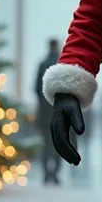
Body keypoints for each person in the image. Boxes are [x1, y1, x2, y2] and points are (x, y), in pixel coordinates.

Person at [35, 39, 61, 184]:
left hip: (45, 111)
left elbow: (36, 88)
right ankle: (55, 174)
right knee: (59, 143)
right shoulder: (62, 65)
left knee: (46, 144)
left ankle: (46, 173)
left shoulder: (42, 64)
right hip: (59, 111)